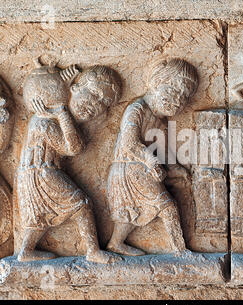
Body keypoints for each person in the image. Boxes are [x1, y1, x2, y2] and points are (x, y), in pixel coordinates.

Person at [17, 64, 121, 263]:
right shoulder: (44, 122)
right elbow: (73, 148)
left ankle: (26, 252)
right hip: (43, 173)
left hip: (33, 175)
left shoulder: (48, 119)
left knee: (38, 218)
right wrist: (62, 113)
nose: (95, 104)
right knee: (82, 205)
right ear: (73, 88)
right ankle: (92, 251)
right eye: (94, 94)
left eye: (103, 104)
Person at [106, 58, 198, 256]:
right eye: (174, 90)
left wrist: (176, 168)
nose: (178, 100)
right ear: (157, 81)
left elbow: (162, 150)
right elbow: (129, 144)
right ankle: (180, 250)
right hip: (130, 168)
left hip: (139, 170)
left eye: (184, 97)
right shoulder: (136, 109)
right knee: (168, 207)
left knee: (130, 213)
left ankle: (115, 244)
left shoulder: (159, 121)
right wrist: (150, 160)